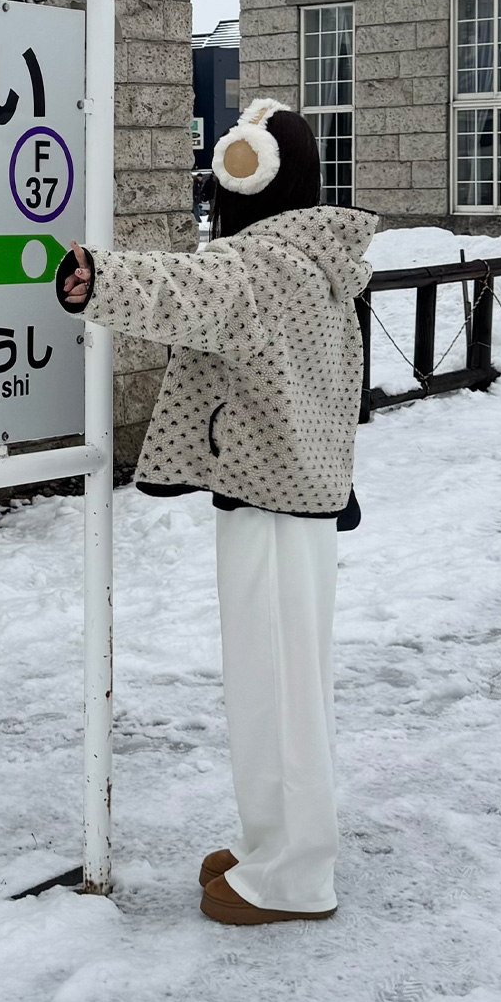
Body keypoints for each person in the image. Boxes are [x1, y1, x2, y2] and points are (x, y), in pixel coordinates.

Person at [55, 99, 378, 925]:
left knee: (276, 687)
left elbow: (188, 290)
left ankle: (294, 876)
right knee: (284, 682)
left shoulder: (265, 265)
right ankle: (273, 845)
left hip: (271, 500)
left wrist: (101, 278)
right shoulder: (318, 257)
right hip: (297, 492)